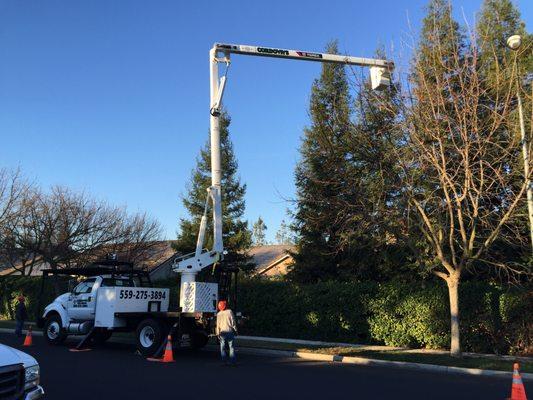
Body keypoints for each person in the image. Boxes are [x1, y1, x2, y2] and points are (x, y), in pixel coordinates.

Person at [216, 300, 238, 365]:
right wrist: (236, 331)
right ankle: (232, 362)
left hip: (222, 333)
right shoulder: (230, 312)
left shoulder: (218, 314)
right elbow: (233, 322)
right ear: (225, 306)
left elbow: (218, 325)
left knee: (222, 347)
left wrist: (218, 333)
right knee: (231, 347)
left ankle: (224, 361)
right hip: (229, 332)